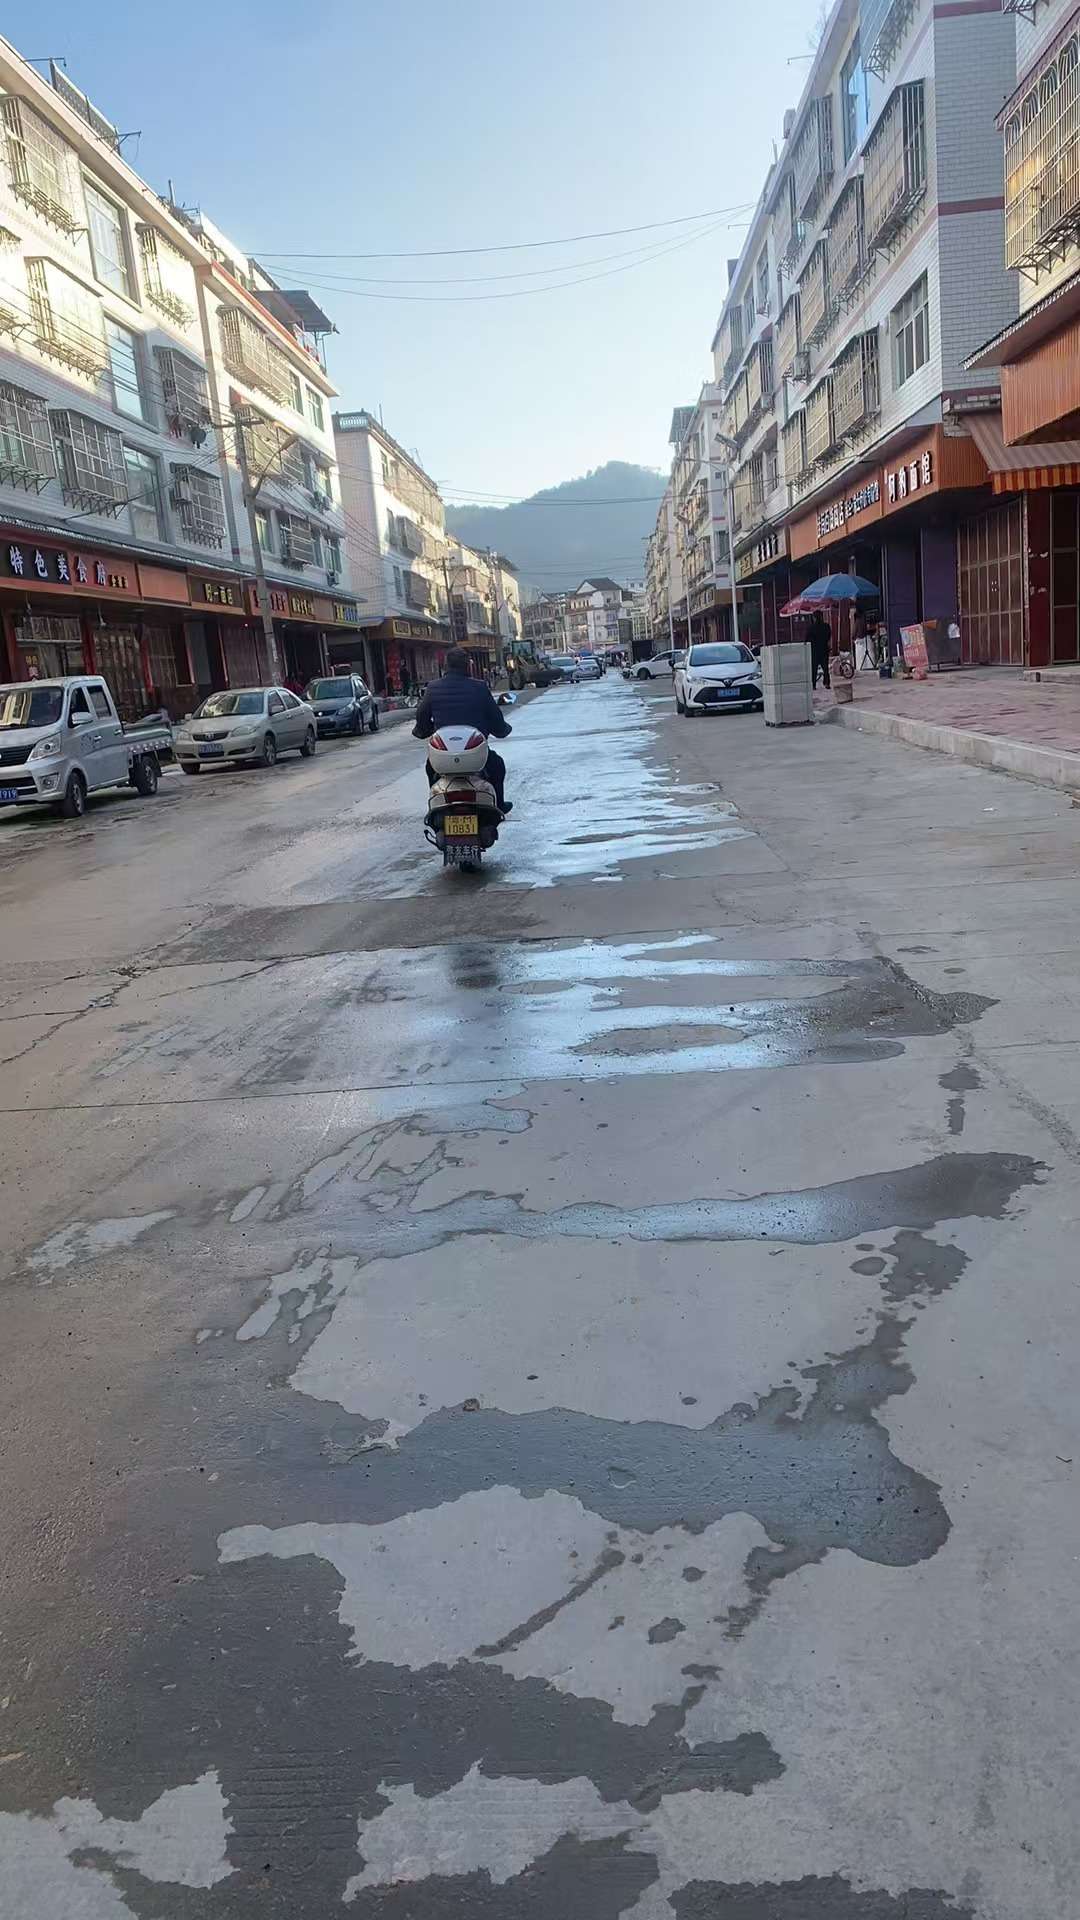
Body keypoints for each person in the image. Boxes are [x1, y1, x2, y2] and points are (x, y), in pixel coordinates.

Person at [413, 646, 513, 813]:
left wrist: (423, 730)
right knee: (497, 766)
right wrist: (501, 730)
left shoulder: (433, 687)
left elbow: (422, 717)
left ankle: (436, 806)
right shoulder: (480, 687)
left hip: (443, 756)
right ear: (468, 666)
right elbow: (495, 718)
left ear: (445, 666)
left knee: (431, 769)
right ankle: (499, 805)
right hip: (475, 755)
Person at [806, 612, 832, 690]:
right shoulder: (826, 626)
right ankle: (827, 683)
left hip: (815, 651)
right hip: (824, 649)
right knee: (825, 668)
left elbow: (807, 639)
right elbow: (828, 636)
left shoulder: (811, 628)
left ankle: (813, 685)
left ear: (814, 618)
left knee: (814, 669)